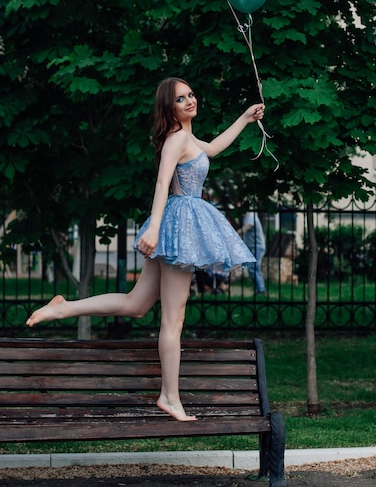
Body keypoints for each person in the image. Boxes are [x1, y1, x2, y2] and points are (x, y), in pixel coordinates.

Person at [26, 76, 265, 422]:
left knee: (136, 304)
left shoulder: (187, 137)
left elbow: (212, 148)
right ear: (169, 107)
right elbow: (162, 182)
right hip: (178, 226)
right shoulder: (175, 139)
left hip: (178, 223)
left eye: (191, 94)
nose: (190, 101)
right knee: (173, 319)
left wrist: (244, 119)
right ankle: (169, 396)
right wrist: (153, 228)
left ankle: (64, 308)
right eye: (181, 98)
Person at [238, 211, 266, 294]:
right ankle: (259, 289)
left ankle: (261, 290)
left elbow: (247, 227)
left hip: (257, 247)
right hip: (253, 247)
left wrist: (236, 233)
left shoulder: (251, 216)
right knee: (253, 269)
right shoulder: (247, 217)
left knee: (253, 268)